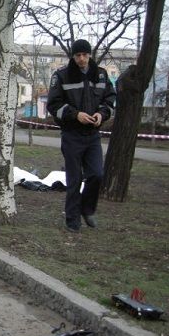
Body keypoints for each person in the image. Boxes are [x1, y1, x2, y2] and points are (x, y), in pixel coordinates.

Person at [46, 39, 116, 233]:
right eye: (78, 55)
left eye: (85, 55)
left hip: (93, 135)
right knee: (74, 179)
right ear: (73, 56)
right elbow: (53, 105)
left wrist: (102, 114)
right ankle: (72, 219)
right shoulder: (61, 76)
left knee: (97, 174)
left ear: (90, 55)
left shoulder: (101, 75)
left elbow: (110, 100)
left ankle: (87, 210)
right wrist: (75, 115)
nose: (82, 59)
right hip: (72, 135)